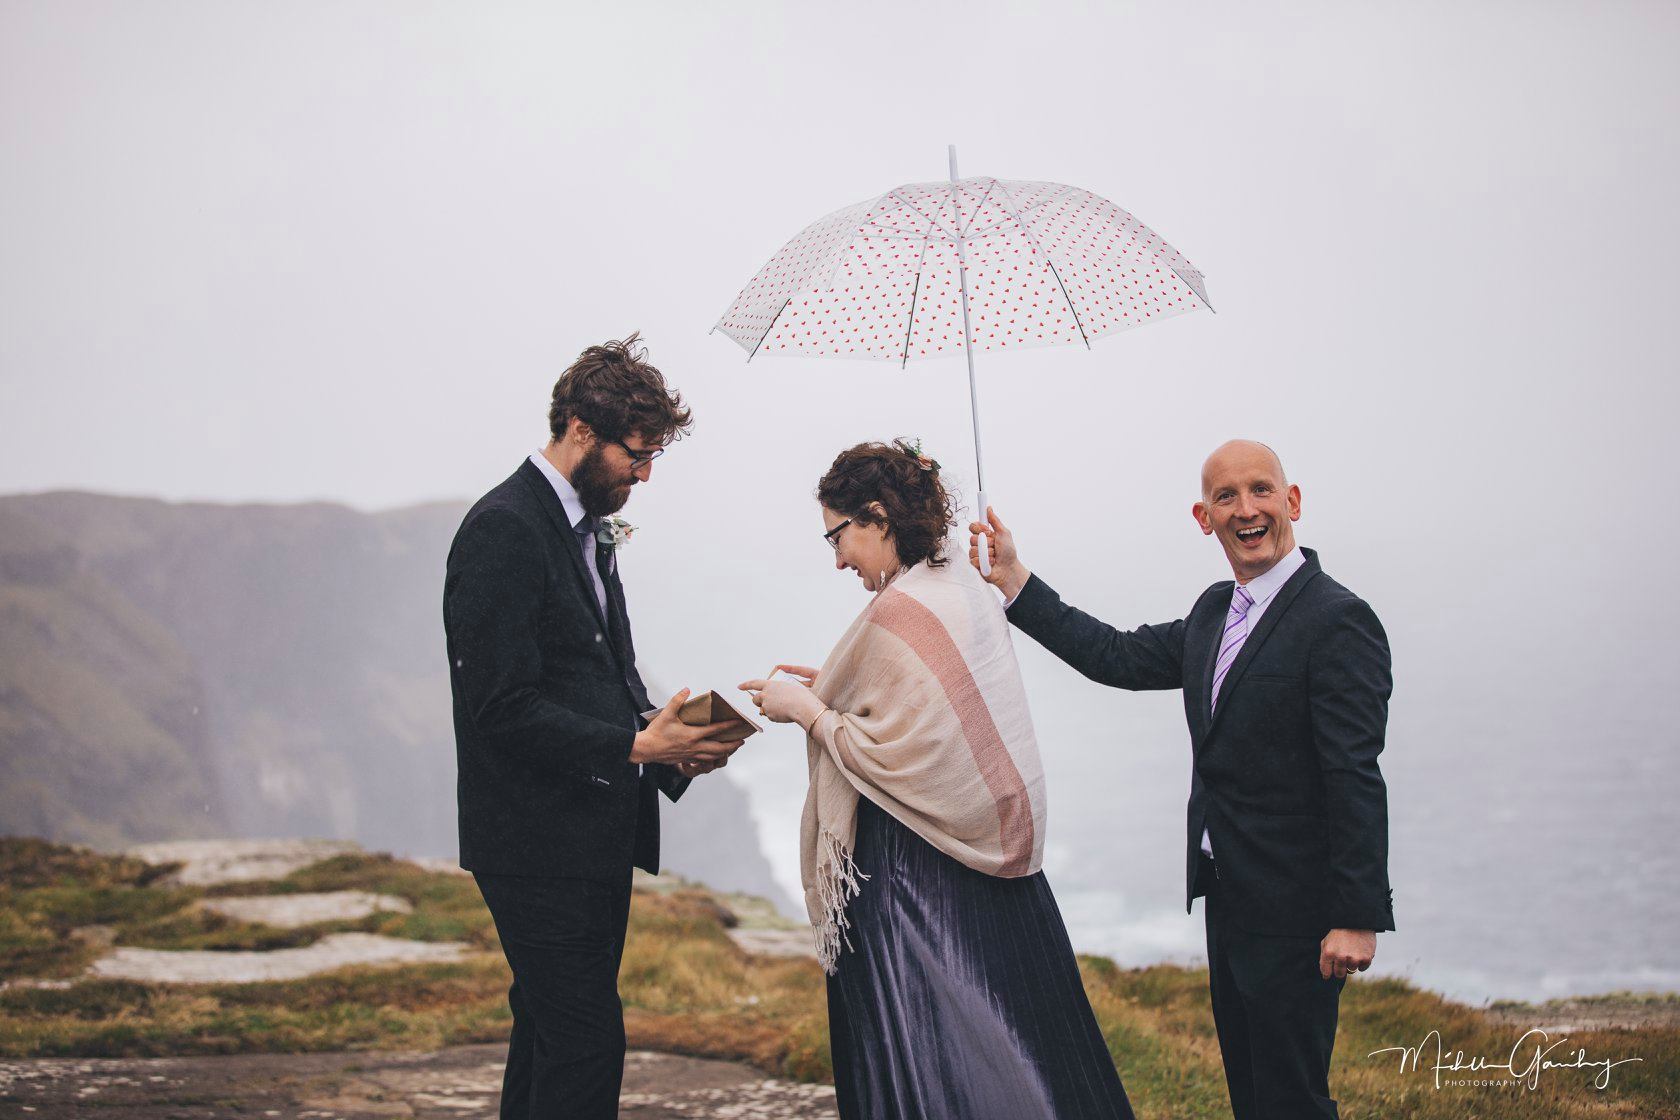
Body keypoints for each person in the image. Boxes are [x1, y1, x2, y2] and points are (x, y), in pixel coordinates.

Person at [969, 439, 1394, 1120]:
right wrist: (1015, 578)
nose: (1245, 509)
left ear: (1293, 502)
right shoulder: (1212, 612)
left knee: (1291, 1100)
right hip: (1228, 899)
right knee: (1252, 1096)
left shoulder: (1338, 620)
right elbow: (1114, 654)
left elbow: (1354, 773)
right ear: (1203, 517)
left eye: (1260, 490)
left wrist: (1356, 916)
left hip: (1298, 911)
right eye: (1226, 497)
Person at [740, 439, 1136, 1120]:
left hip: (917, 879)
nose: (837, 559)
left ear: (876, 517)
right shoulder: (956, 580)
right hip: (992, 878)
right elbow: (920, 713)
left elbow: (894, 754)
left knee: (935, 1058)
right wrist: (836, 688)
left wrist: (806, 710)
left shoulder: (904, 607)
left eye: (838, 535)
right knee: (1026, 1042)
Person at [443, 333, 748, 1120]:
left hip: (588, 832)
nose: (644, 475)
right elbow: (500, 704)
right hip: (533, 840)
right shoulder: (504, 529)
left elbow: (592, 679)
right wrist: (633, 743)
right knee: (585, 1040)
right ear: (581, 427)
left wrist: (669, 736)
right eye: (635, 455)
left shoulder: (585, 526)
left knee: (548, 1033)